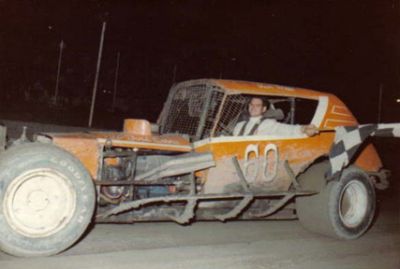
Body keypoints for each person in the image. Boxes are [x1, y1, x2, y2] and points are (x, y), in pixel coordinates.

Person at [233, 97, 318, 136]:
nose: (253, 107)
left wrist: (303, 129)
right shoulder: (239, 125)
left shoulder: (268, 124)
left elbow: (287, 129)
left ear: (264, 109)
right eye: (251, 104)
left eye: (257, 105)